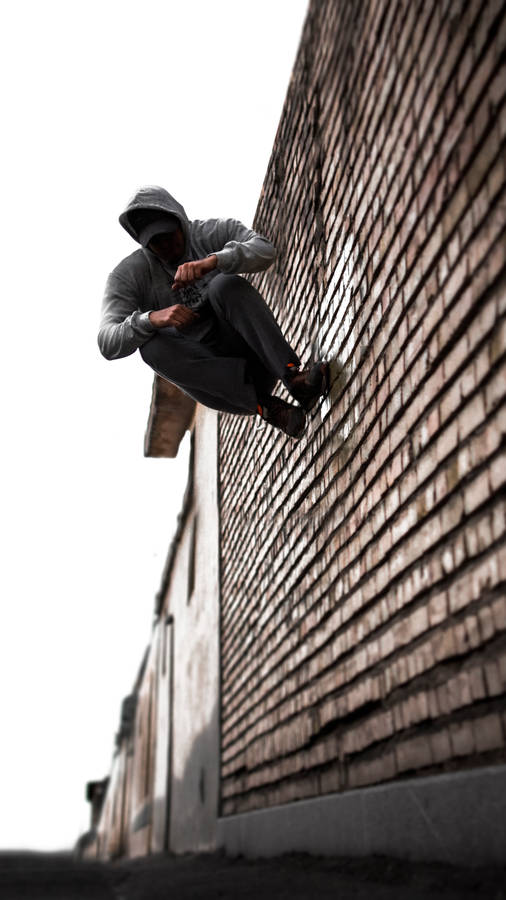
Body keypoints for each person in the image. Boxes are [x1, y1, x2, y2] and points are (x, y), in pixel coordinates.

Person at [98, 185, 328, 437]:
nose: (166, 245)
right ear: (144, 244)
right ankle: (270, 407)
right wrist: (151, 319)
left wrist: (214, 261)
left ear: (179, 221)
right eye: (156, 242)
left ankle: (295, 379)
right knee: (151, 347)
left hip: (258, 357)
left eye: (169, 234)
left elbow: (265, 250)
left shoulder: (208, 233)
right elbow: (107, 342)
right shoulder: (130, 274)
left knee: (224, 284)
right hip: (227, 386)